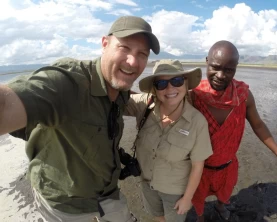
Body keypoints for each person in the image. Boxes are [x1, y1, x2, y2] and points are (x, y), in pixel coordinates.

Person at [0, 15, 160, 222]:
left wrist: (168, 95)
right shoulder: (67, 83)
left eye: (142, 54)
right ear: (105, 44)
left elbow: (131, 100)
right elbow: (7, 103)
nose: (133, 61)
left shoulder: (119, 89)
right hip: (66, 207)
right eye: (124, 48)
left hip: (109, 194)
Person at [190, 40, 277, 222]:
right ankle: (200, 217)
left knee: (225, 193)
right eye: (215, 67)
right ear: (206, 61)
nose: (221, 75)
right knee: (198, 198)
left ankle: (221, 206)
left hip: (228, 165)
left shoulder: (243, 96)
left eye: (229, 70)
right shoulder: (194, 95)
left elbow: (258, 125)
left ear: (236, 68)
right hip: (198, 168)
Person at [124, 59, 213, 222]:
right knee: (157, 216)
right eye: (162, 84)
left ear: (186, 84)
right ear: (155, 89)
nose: (170, 88)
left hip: (174, 190)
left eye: (177, 81)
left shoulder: (197, 122)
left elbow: (197, 166)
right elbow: (114, 99)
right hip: (146, 182)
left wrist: (187, 198)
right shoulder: (145, 105)